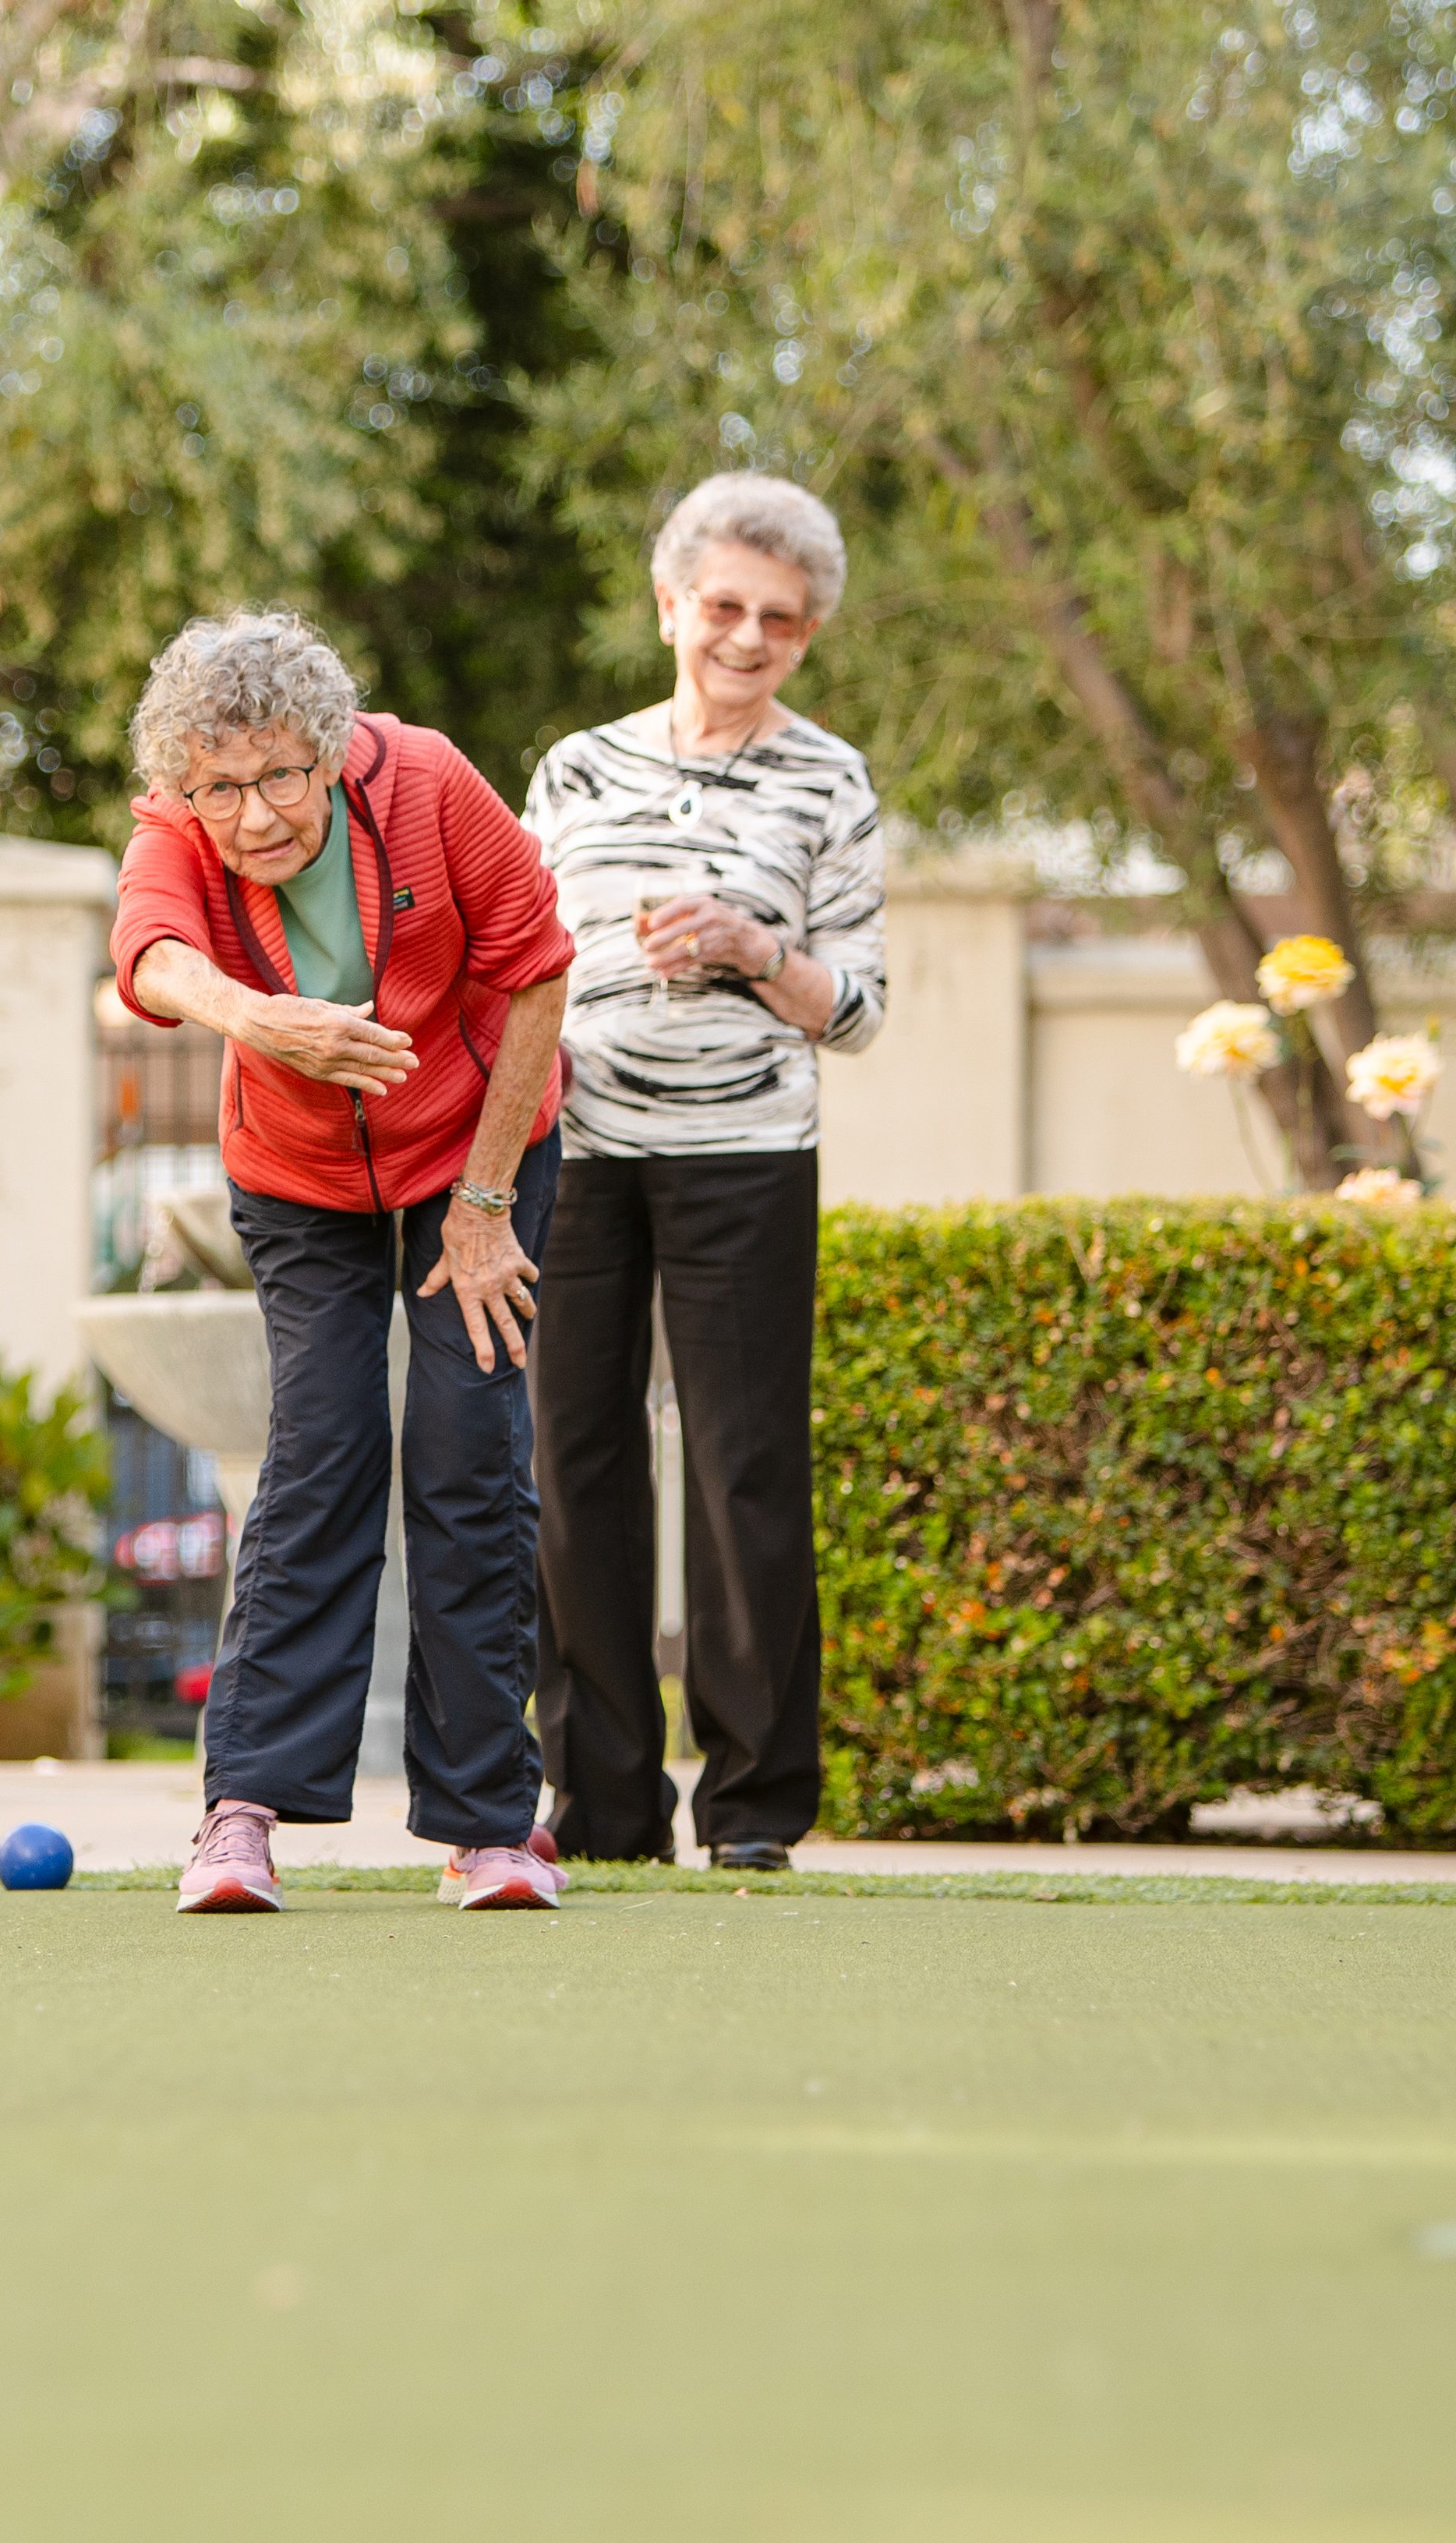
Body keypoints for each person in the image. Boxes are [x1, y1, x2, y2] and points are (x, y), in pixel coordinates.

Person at [110, 614, 579, 1912]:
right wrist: (259, 1020)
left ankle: (488, 1827)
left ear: (328, 754)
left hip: (472, 1153)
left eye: (277, 777)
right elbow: (149, 954)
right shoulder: (178, 824)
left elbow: (539, 972)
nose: (252, 816)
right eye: (217, 788)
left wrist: (485, 1205)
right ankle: (240, 1815)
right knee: (320, 1452)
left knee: (467, 1449)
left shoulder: (426, 781)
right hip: (299, 1170)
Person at [521, 472, 885, 1873]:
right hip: (583, 1149)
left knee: (743, 1474)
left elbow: (859, 1009)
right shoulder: (577, 768)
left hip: (747, 1154)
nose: (746, 637)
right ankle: (604, 1808)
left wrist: (752, 948)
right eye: (723, 606)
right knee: (577, 1467)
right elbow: (521, 963)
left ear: (807, 636)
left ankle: (752, 1812)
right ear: (670, 603)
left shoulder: (829, 779)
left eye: (779, 621)